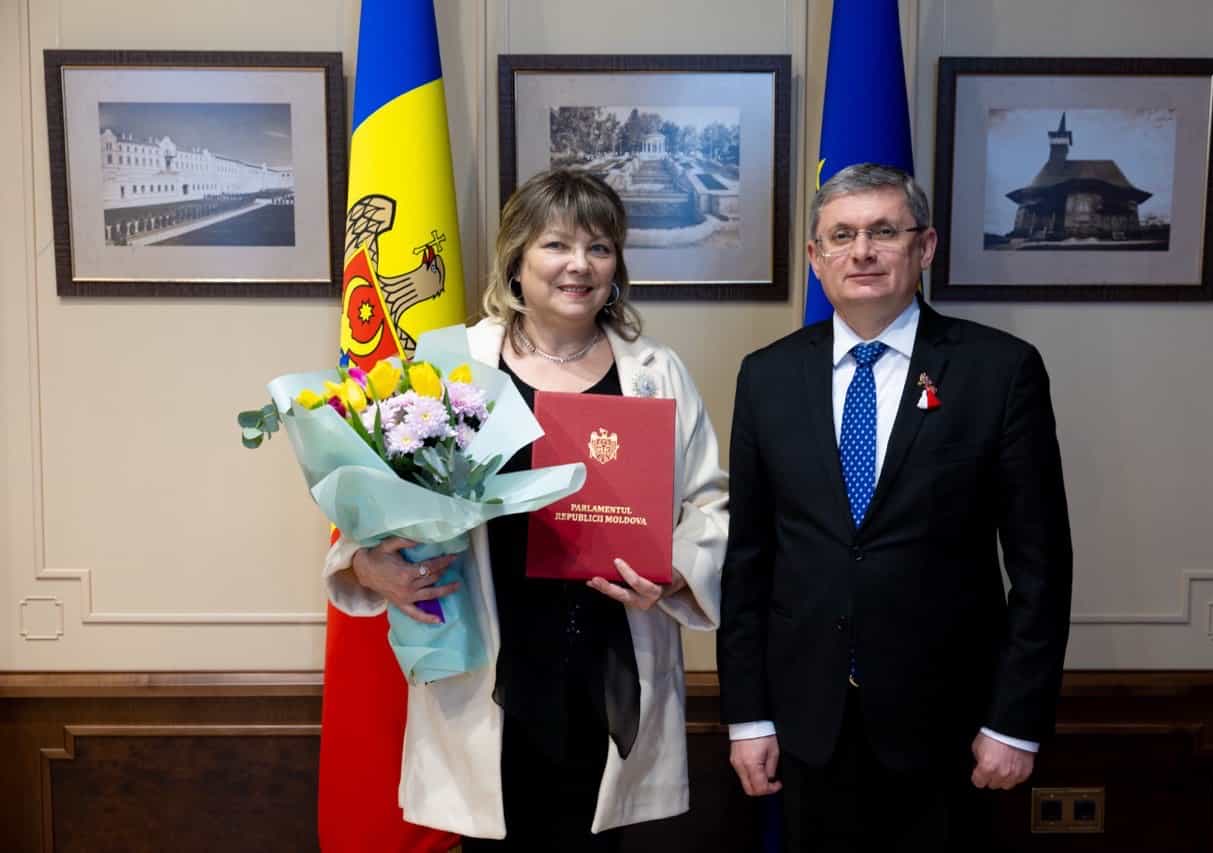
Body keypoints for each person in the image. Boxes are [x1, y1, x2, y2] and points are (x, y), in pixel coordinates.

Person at [323, 168, 729, 851]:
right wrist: (367, 566)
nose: (580, 264)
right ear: (516, 260)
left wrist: (675, 572)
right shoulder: (452, 365)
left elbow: (710, 505)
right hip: (491, 663)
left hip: (609, 663)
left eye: (599, 247)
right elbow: (376, 502)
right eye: (557, 244)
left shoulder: (655, 372)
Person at [717, 162, 1073, 850]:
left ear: (925, 246)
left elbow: (1042, 563)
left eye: (884, 231)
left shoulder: (999, 371)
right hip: (808, 723)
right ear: (815, 257)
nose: (862, 252)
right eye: (842, 236)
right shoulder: (766, 376)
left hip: (951, 726)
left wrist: (1015, 720)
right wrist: (748, 716)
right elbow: (748, 560)